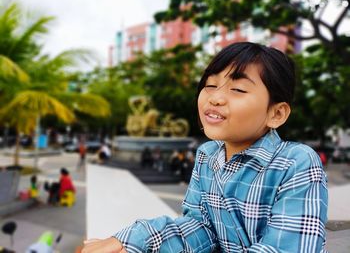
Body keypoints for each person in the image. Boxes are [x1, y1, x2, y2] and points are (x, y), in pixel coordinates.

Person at [82, 42, 328, 252]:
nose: (215, 97)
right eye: (210, 85)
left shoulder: (296, 162)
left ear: (276, 113)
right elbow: (201, 227)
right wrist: (133, 241)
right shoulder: (207, 155)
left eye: (238, 89)